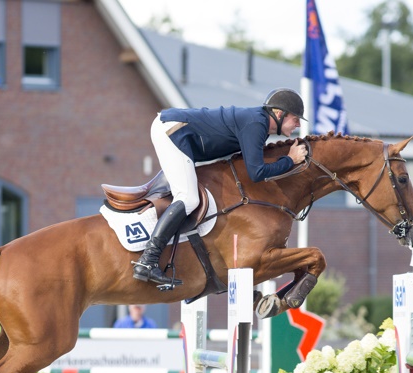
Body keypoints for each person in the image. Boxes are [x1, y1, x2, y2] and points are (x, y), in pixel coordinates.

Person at [132, 88, 309, 285]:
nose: (298, 124)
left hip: (178, 132)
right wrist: (290, 160)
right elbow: (257, 173)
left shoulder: (258, 125)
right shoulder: (256, 124)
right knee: (189, 198)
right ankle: (147, 261)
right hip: (173, 131)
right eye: (295, 118)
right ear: (278, 114)